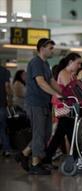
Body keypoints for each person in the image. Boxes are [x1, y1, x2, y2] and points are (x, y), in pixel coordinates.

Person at [15, 38, 62, 175]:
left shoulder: (46, 64)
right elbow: (41, 82)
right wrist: (56, 95)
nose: (52, 50)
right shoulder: (35, 62)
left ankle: (24, 154)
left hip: (44, 103)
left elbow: (52, 81)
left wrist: (64, 93)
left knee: (46, 133)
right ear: (42, 48)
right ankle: (35, 164)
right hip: (35, 103)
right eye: (50, 48)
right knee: (40, 134)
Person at [43, 52, 82, 167]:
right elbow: (71, 90)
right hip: (62, 107)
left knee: (62, 133)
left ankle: (48, 158)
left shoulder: (70, 74)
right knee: (67, 132)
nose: (79, 66)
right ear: (70, 62)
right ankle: (76, 157)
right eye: (78, 63)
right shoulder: (64, 73)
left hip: (67, 107)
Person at [0, 65, 13, 157]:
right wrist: (10, 100)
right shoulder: (4, 71)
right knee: (2, 128)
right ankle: (7, 149)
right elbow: (7, 86)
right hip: (1, 104)